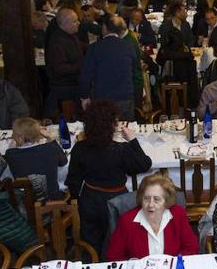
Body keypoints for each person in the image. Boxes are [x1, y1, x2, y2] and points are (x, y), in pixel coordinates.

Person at [65, 100, 152, 256]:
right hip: (117, 200)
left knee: (92, 244)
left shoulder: (79, 148)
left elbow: (73, 181)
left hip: (90, 200)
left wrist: (77, 201)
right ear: (111, 126)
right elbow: (145, 164)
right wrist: (132, 140)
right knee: (118, 242)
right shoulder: (121, 150)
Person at [106, 174, 199, 260]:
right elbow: (113, 256)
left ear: (166, 201)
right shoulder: (127, 221)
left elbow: (191, 247)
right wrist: (132, 264)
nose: (150, 204)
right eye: (146, 198)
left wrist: (174, 263)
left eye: (157, 199)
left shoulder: (178, 214)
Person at [80, 15, 138, 121]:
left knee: (104, 132)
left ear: (104, 28)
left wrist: (84, 97)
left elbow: (85, 76)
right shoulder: (129, 46)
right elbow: (133, 72)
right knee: (124, 131)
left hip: (103, 99)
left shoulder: (94, 48)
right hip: (125, 96)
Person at [4, 117, 67, 200]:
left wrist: (15, 142)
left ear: (19, 137)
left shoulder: (10, 154)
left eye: (13, 134)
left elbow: (12, 149)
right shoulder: (51, 148)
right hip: (53, 200)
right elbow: (64, 162)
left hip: (26, 203)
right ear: (39, 134)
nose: (12, 136)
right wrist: (50, 138)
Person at [44, 8, 83, 118]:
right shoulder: (57, 42)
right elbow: (59, 68)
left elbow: (82, 47)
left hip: (73, 82)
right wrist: (80, 67)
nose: (78, 23)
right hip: (64, 86)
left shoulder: (71, 36)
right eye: (75, 21)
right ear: (65, 24)